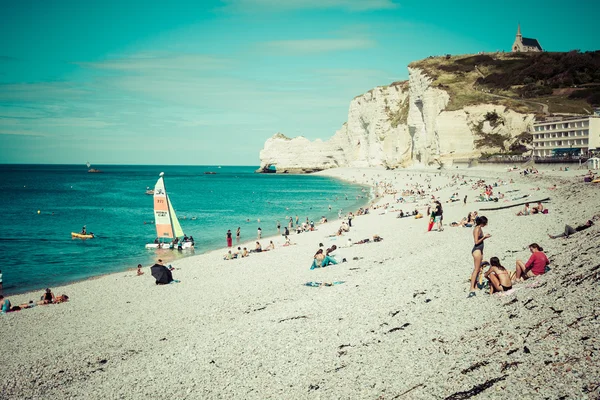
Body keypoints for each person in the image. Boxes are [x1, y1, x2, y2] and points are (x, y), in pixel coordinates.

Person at [468, 216, 491, 298]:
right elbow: (476, 241)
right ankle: (471, 287)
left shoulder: (479, 228)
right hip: (477, 250)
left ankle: (475, 286)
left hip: (480, 250)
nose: (486, 224)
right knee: (476, 269)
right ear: (482, 222)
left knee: (479, 269)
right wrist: (484, 237)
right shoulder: (477, 229)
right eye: (485, 223)